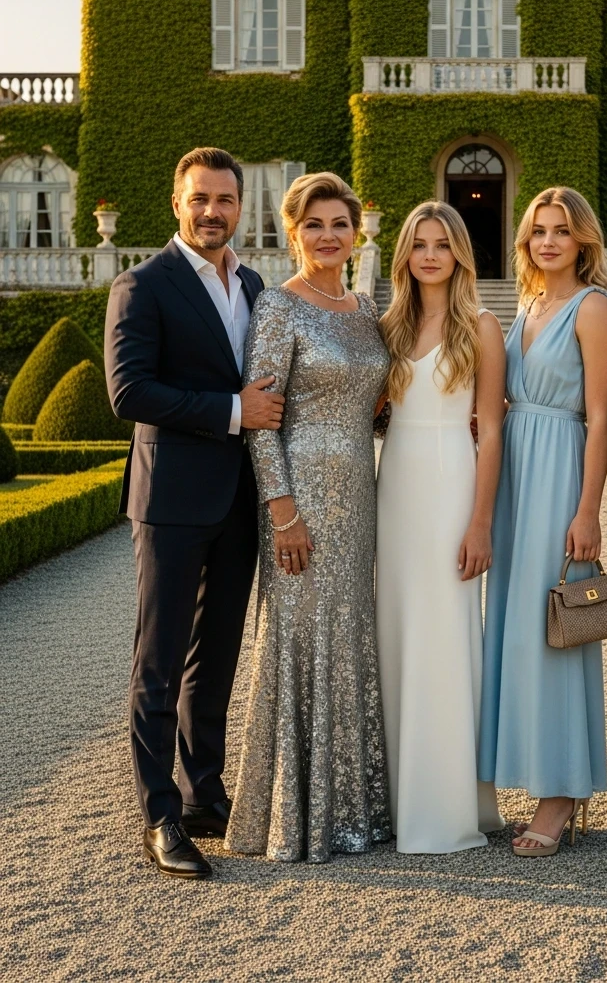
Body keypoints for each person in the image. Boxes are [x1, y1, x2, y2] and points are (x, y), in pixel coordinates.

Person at [105, 146, 282, 879]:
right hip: (172, 500)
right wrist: (232, 411)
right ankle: (159, 816)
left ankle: (203, 792)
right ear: (177, 204)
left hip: (238, 497)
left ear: (241, 207)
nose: (213, 211)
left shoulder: (253, 283)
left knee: (216, 656)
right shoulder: (142, 285)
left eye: (225, 200)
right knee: (160, 659)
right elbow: (128, 392)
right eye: (200, 198)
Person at [225, 172, 391, 863]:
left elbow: (374, 405)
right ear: (294, 232)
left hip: (360, 493)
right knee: (299, 637)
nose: (328, 235)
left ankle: (355, 810)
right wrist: (283, 511)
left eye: (339, 224)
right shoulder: (277, 306)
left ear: (356, 234)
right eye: (314, 224)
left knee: (350, 636)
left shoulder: (364, 307)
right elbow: (261, 420)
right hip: (301, 500)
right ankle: (298, 814)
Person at [479, 187, 607, 857]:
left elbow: (600, 416)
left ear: (582, 239)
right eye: (538, 231)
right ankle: (536, 774)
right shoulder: (531, 303)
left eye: (561, 231)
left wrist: (587, 509)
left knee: (557, 628)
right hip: (515, 473)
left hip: (560, 469)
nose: (547, 242)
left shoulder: (593, 308)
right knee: (517, 627)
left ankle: (561, 794)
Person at [376, 201, 506, 853]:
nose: (430, 255)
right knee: (399, 633)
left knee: (447, 635)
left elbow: (493, 432)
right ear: (405, 254)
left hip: (454, 482)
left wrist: (480, 522)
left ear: (459, 254)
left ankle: (451, 808)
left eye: (442, 244)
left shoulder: (482, 326)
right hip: (396, 486)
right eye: (420, 244)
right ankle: (402, 802)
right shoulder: (387, 327)